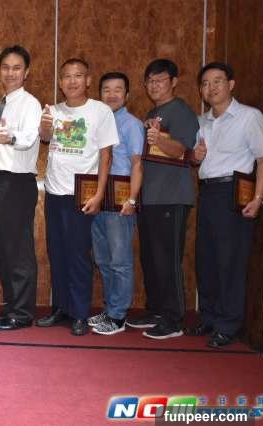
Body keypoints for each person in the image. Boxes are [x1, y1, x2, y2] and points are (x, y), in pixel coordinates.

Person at [189, 62, 263, 348]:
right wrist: (195, 157)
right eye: (205, 83)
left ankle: (228, 324)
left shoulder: (249, 117)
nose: (211, 88)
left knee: (230, 261)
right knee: (206, 259)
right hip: (208, 192)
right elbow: (197, 160)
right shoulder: (202, 121)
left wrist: (258, 199)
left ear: (231, 84)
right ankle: (210, 317)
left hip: (234, 193)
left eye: (217, 81)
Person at [38, 59, 118, 336]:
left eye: (78, 76)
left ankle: (80, 313)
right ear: (60, 82)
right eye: (67, 77)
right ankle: (61, 308)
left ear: (87, 80)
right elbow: (45, 138)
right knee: (57, 253)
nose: (72, 81)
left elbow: (106, 156)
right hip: (54, 193)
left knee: (78, 255)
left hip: (82, 195)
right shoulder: (53, 111)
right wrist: (45, 126)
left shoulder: (100, 111)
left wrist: (100, 194)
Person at [125, 59, 199, 340]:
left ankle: (173, 319)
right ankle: (156, 310)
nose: (154, 85)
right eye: (150, 81)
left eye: (160, 80)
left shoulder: (180, 110)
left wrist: (157, 139)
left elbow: (182, 150)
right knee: (151, 258)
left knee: (168, 259)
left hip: (171, 197)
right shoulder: (153, 112)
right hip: (150, 198)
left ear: (174, 82)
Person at [0, 45, 42, 331]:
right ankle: (11, 305)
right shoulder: (2, 104)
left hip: (16, 183)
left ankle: (22, 312)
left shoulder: (30, 103)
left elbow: (30, 138)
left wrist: (11, 137)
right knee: (3, 248)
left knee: (18, 249)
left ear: (26, 72)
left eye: (16, 68)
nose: (10, 73)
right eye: (5, 67)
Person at [89, 72, 144, 335]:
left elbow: (137, 164)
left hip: (121, 202)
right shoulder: (97, 122)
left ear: (127, 95)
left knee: (120, 260)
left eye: (117, 90)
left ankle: (118, 316)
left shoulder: (132, 124)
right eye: (106, 90)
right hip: (98, 199)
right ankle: (110, 308)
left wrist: (132, 199)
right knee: (103, 259)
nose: (111, 95)